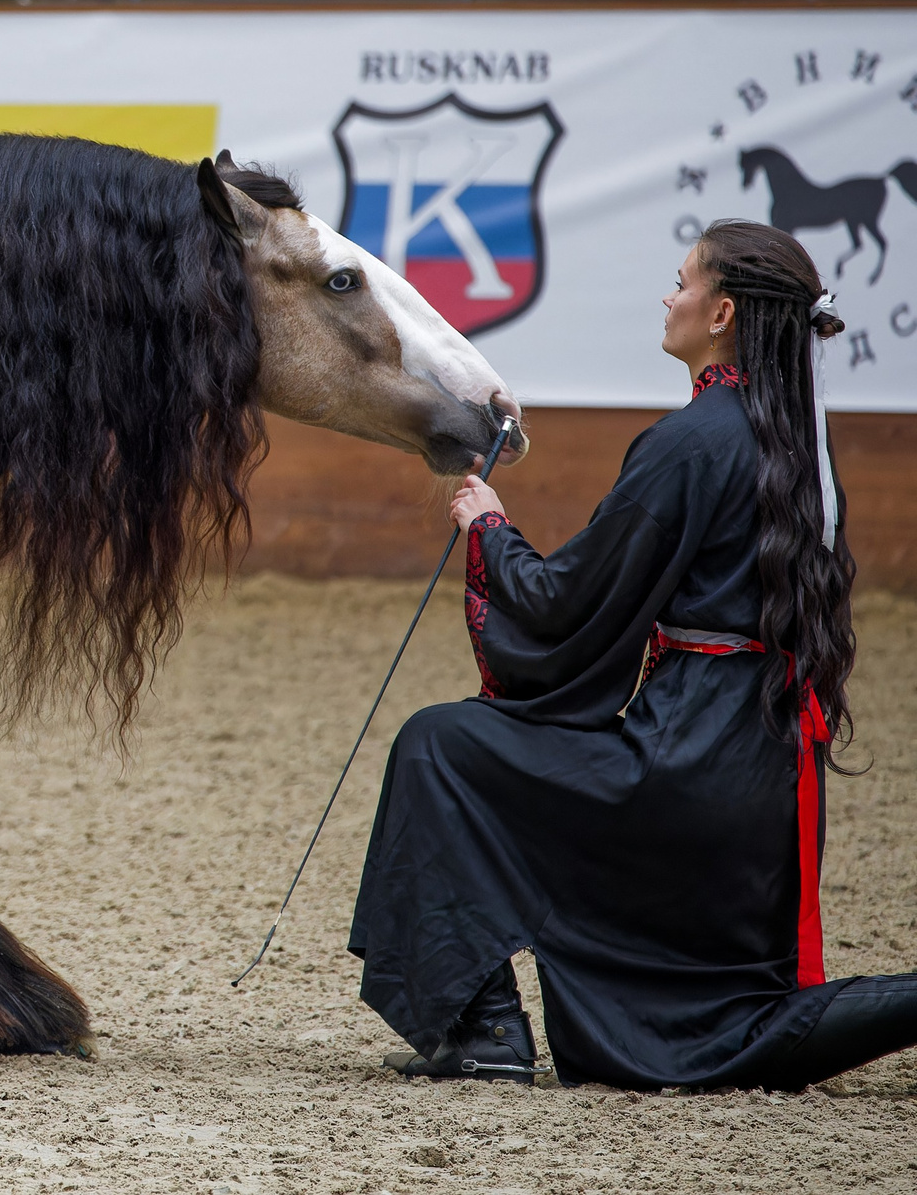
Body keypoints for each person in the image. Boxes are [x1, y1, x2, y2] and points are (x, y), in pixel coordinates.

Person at [352, 220, 917, 1092]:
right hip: (765, 779)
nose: (669, 296)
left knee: (443, 747)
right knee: (732, 1023)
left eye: (683, 281)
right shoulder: (801, 440)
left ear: (722, 312)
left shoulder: (692, 441)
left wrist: (490, 528)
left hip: (685, 767)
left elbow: (564, 602)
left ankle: (486, 1027)